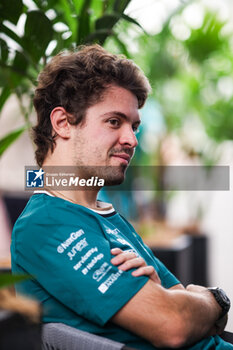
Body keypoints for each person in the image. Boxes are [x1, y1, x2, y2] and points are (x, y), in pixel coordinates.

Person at [11, 45, 232, 350]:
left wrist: (180, 303)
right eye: (114, 122)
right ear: (62, 123)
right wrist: (215, 299)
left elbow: (179, 301)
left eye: (134, 126)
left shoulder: (106, 215)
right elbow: (175, 324)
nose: (131, 140)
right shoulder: (45, 225)